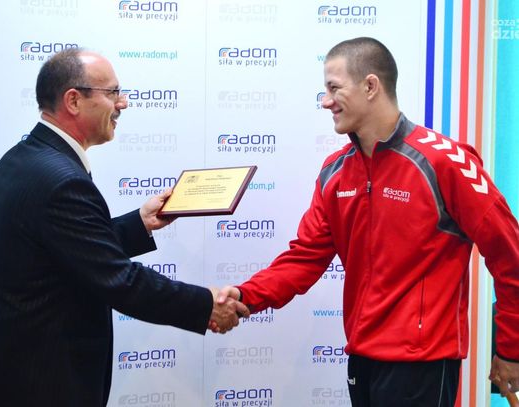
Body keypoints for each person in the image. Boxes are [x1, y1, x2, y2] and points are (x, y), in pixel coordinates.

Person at [214, 37, 519, 406]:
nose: (326, 101)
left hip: (422, 364)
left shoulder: (445, 162)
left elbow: (510, 255)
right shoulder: (335, 171)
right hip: (361, 358)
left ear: (370, 86)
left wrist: (511, 347)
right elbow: (304, 258)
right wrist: (246, 296)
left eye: (334, 88)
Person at [0, 48, 249, 407]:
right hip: (44, 382)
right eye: (112, 92)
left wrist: (139, 223)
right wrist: (206, 305)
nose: (123, 103)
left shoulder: (24, 158)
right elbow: (121, 281)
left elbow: (70, 250)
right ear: (73, 100)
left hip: (15, 373)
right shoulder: (61, 180)